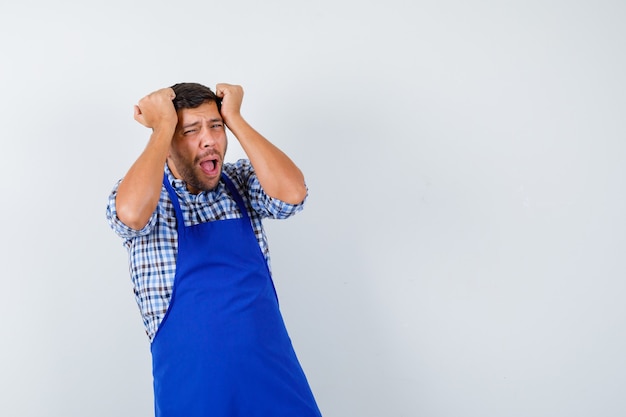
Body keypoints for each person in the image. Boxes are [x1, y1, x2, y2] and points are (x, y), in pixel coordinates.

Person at [106, 82, 322, 417]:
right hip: (194, 398)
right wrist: (163, 125)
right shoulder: (151, 199)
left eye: (215, 127)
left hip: (277, 389)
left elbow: (292, 195)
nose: (208, 140)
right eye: (190, 130)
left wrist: (234, 117)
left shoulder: (240, 183)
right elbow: (130, 216)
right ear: (166, 143)